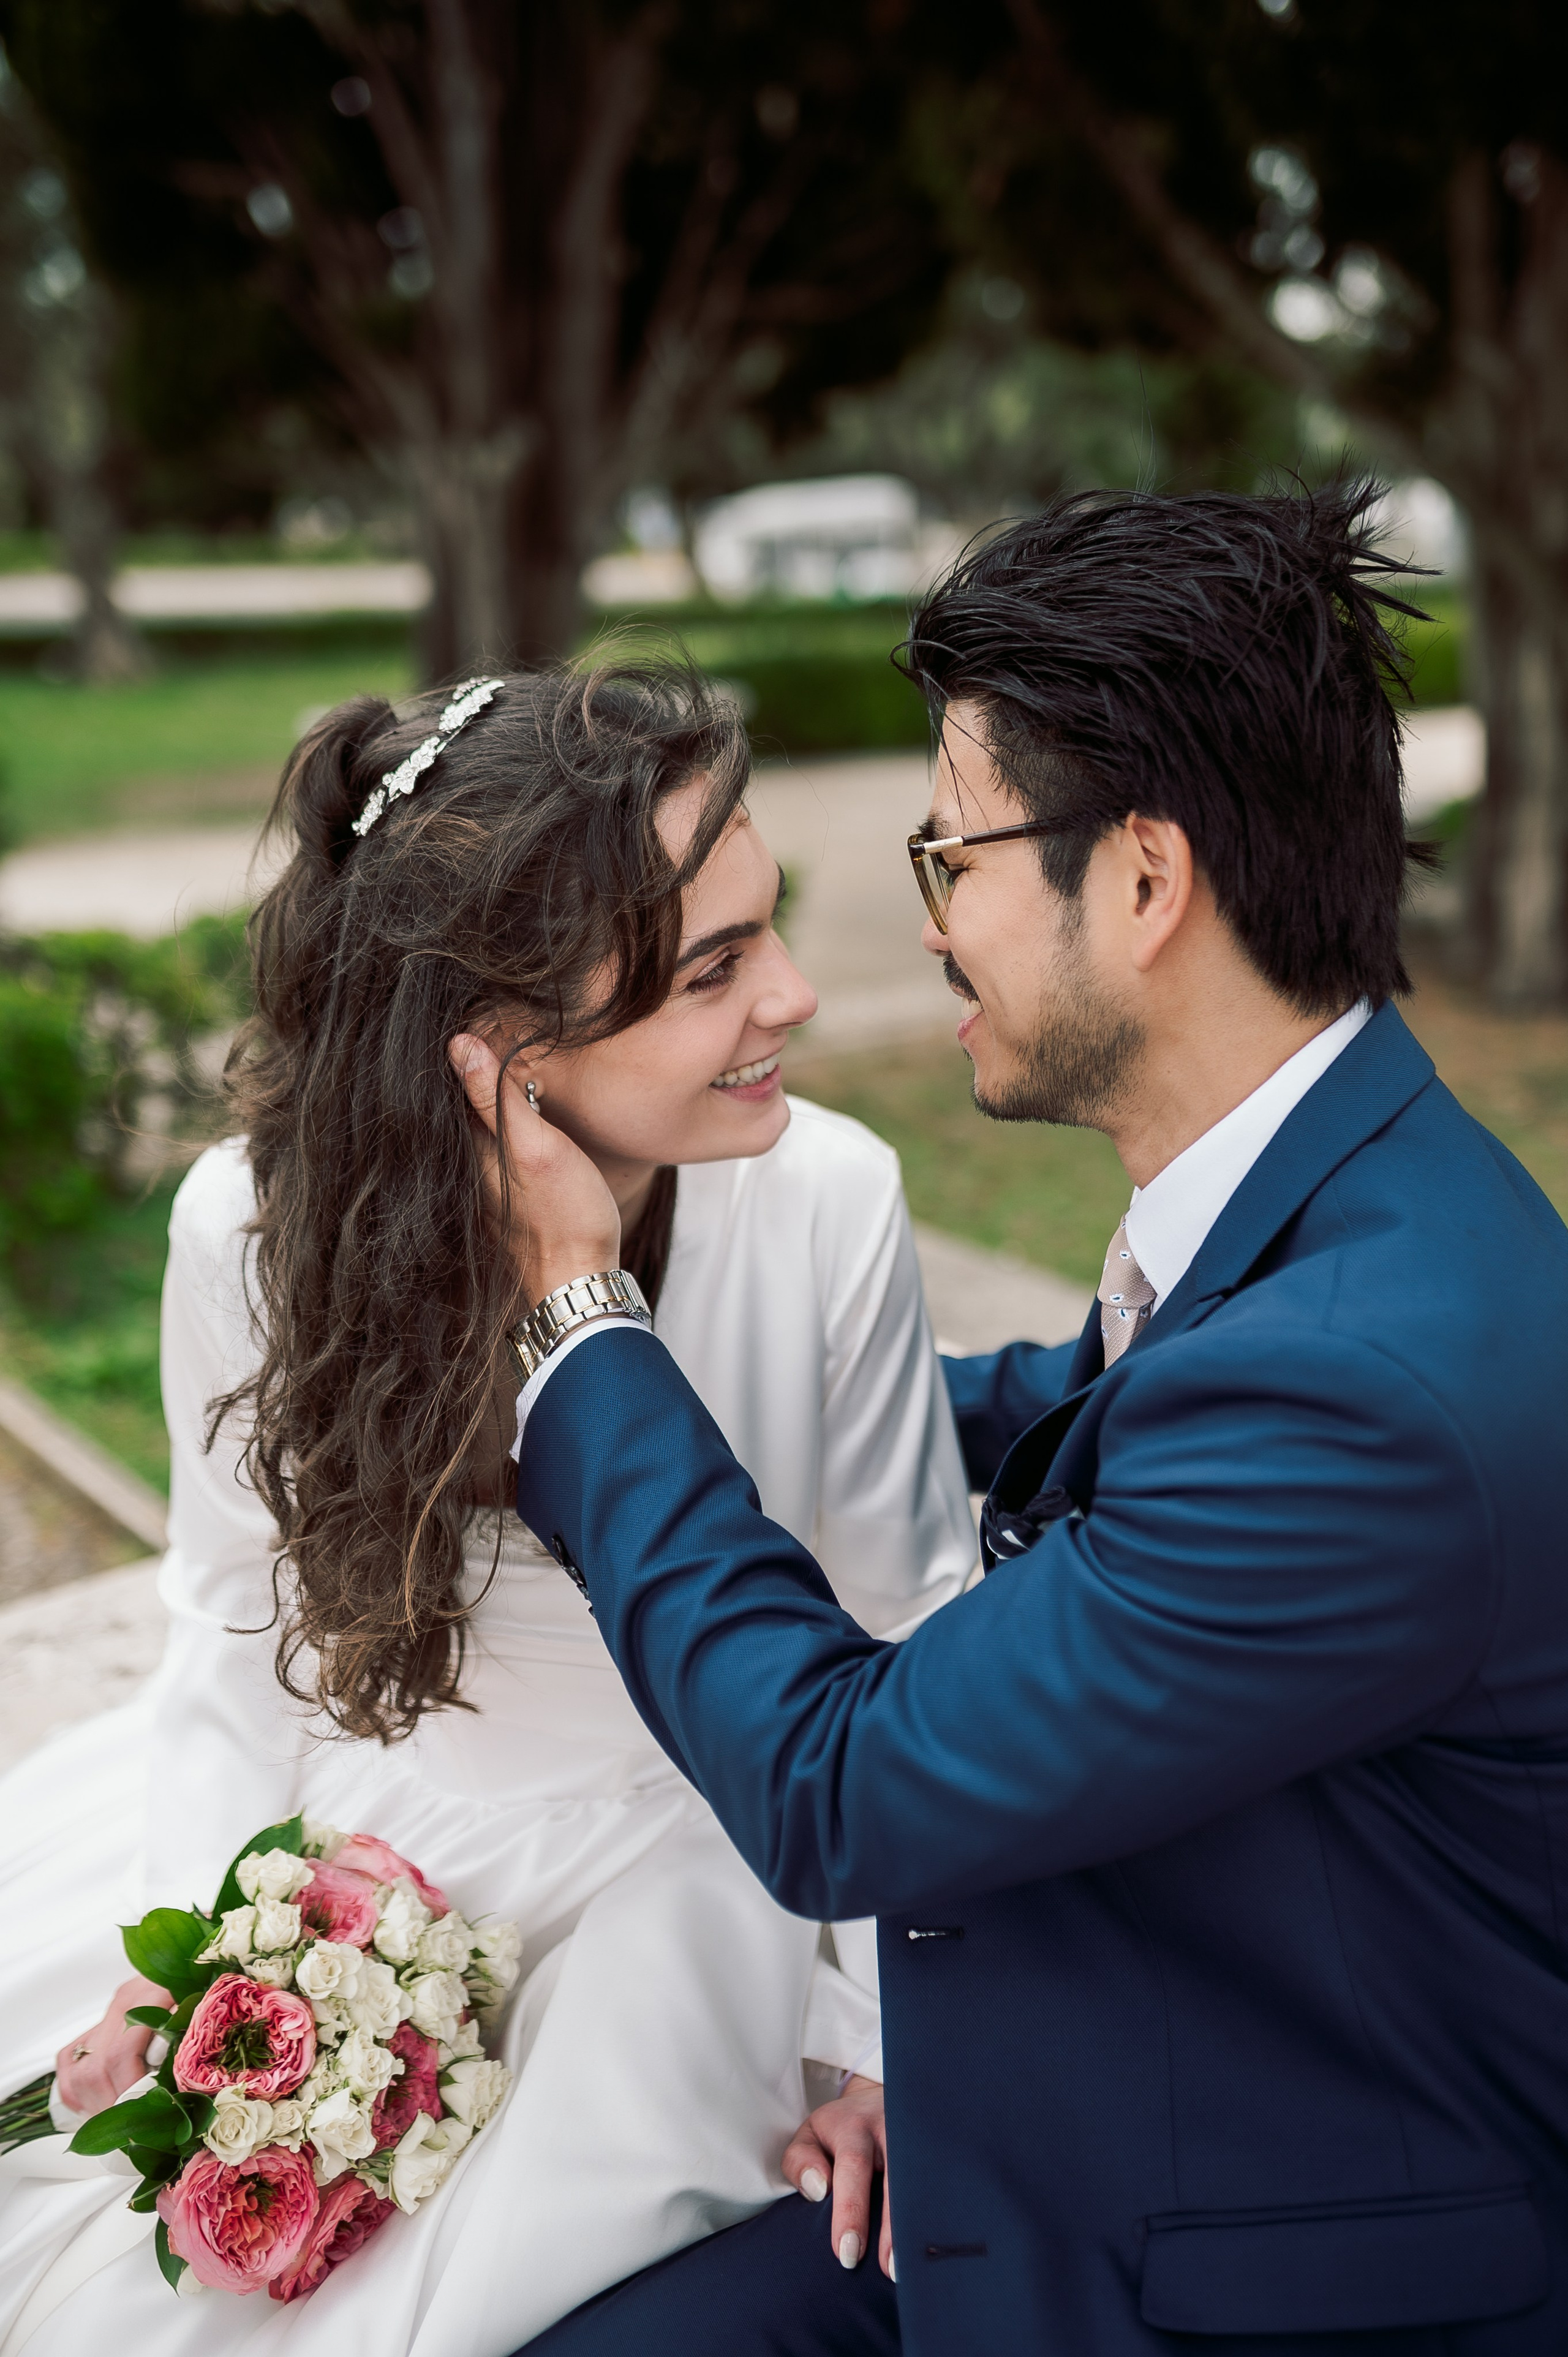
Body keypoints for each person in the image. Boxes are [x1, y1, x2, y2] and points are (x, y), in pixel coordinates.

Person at [454, 482, 1568, 2356]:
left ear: (1143, 880)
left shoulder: (1364, 1396)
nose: (928, 929)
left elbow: (840, 1785)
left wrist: (581, 1318)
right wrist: (745, 1366)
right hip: (1088, 2103)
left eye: (950, 857)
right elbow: (1072, 1422)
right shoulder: (1356, 1200)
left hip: (1254, 2274)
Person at [0, 664, 977, 2351]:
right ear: (506, 1048)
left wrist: (879, 2035)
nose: (801, 1001)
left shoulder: (830, 1202)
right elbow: (233, 1630)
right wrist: (212, 1943)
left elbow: (914, 1635)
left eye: (776, 931)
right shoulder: (242, 1230)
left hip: (709, 1871)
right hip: (372, 1833)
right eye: (717, 970)